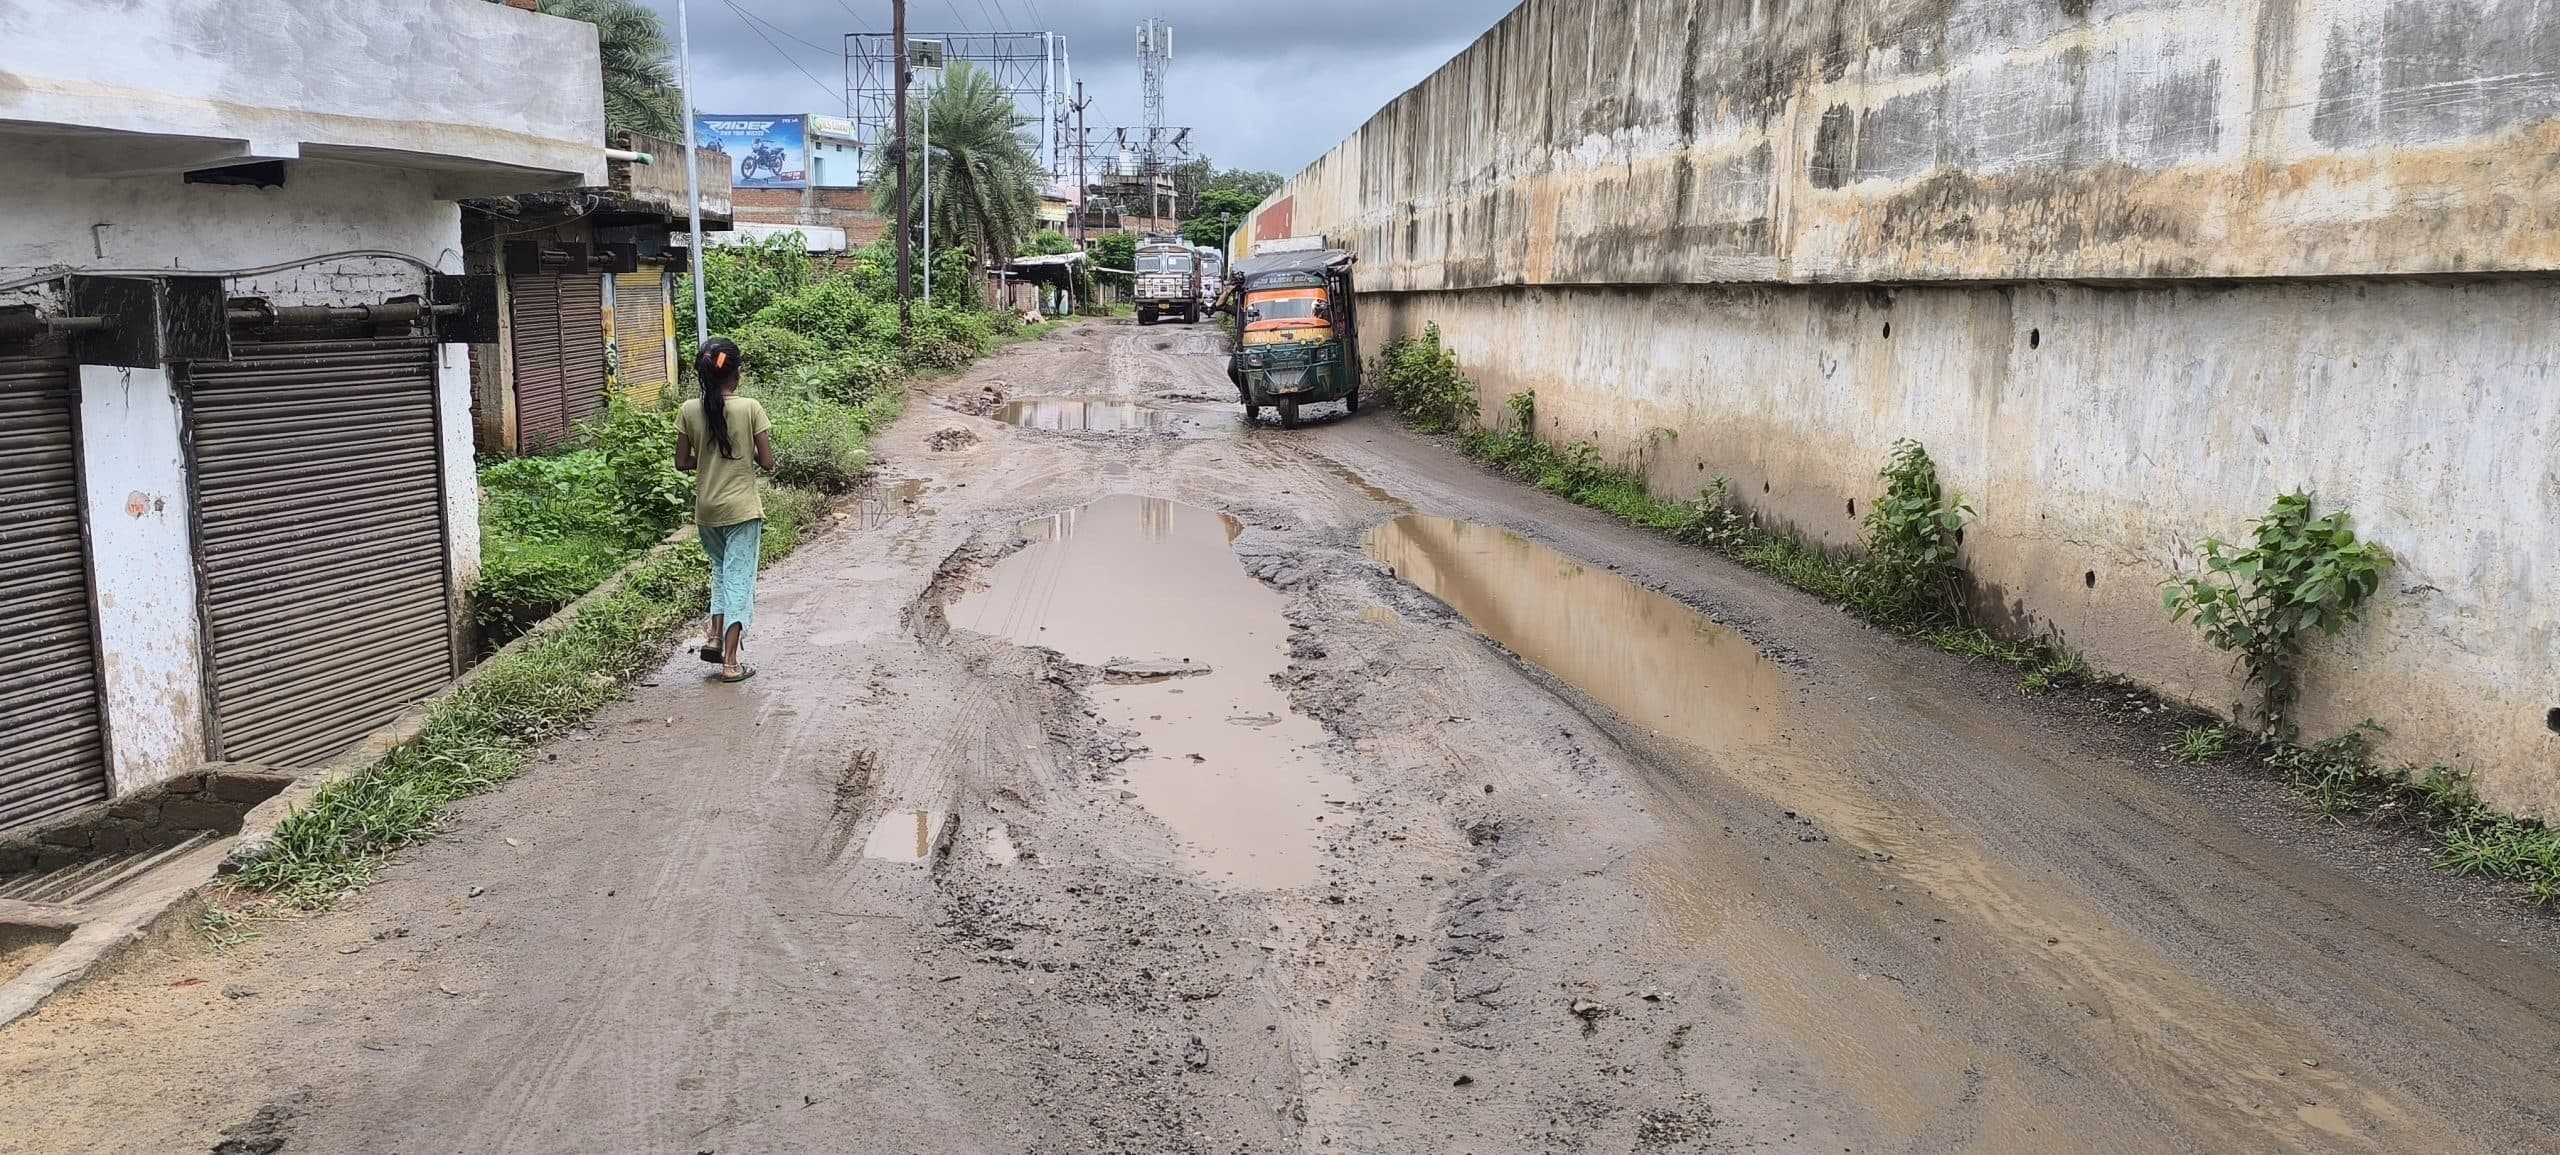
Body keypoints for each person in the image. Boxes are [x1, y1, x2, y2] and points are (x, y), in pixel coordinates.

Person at [675, 338, 775, 683]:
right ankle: (731, 664)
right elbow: (767, 461)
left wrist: (706, 459)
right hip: (742, 510)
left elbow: (681, 461)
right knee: (739, 581)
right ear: (737, 372)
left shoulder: (689, 410)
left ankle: (715, 637)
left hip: (707, 510)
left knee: (719, 571)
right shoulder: (750, 408)